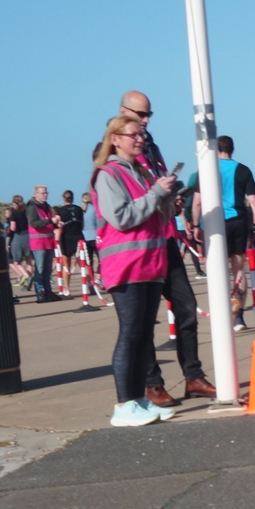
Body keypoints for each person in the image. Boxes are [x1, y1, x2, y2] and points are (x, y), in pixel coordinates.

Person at [118, 91, 217, 403]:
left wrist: (172, 199)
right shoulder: (115, 152)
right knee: (143, 322)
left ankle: (193, 375)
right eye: (140, 115)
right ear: (123, 112)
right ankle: (152, 384)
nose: (145, 122)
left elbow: (156, 185)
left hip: (165, 239)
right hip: (138, 249)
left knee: (186, 307)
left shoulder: (152, 146)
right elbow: (123, 205)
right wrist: (156, 195)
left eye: (149, 116)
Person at [92, 114, 179, 427]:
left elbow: (157, 213)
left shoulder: (141, 173)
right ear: (115, 139)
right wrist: (155, 194)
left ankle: (139, 399)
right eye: (133, 134)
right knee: (130, 333)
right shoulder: (108, 174)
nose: (140, 139)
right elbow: (121, 217)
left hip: (149, 264)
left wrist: (168, 198)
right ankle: (123, 404)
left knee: (143, 336)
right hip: (126, 265)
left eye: (142, 134)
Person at [192, 135, 255, 332]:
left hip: (215, 222)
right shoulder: (243, 170)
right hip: (238, 221)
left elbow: (197, 202)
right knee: (238, 269)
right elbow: (254, 202)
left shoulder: (207, 170)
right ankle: (239, 317)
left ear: (216, 149)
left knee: (217, 269)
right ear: (232, 149)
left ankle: (221, 315)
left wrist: (195, 225)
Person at [27, 185, 61, 302]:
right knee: (40, 269)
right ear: (36, 194)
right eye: (43, 193)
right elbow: (34, 223)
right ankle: (40, 292)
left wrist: (57, 224)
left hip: (48, 242)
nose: (45, 195)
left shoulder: (47, 207)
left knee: (47, 270)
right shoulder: (32, 208)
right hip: (38, 243)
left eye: (46, 193)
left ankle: (48, 291)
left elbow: (48, 223)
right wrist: (50, 221)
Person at [55, 190, 85, 285]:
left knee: (66, 265)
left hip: (66, 238)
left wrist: (56, 239)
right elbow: (82, 225)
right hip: (78, 236)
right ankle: (89, 284)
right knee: (83, 264)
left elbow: (58, 226)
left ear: (63, 199)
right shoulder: (79, 209)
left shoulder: (60, 211)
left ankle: (67, 288)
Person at [6, 195, 34, 289]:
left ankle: (27, 276)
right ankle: (27, 284)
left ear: (14, 203)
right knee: (29, 260)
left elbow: (13, 228)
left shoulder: (14, 213)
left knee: (16, 261)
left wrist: (8, 230)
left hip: (19, 236)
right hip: (28, 236)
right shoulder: (27, 211)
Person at [81, 192, 99, 275]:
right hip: (95, 235)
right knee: (100, 258)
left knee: (89, 261)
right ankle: (99, 275)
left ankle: (91, 279)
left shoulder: (81, 210)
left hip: (85, 237)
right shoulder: (95, 209)